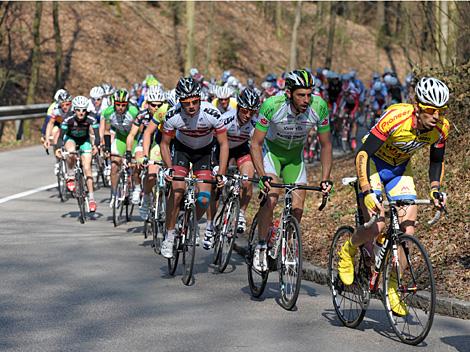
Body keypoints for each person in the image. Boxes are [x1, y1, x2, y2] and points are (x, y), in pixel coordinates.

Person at [337, 77, 450, 316]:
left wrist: (435, 189)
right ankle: (348, 249)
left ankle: (392, 288)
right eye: (431, 110)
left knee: (407, 233)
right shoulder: (396, 118)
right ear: (418, 107)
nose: (436, 116)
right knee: (377, 224)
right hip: (374, 165)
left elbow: (436, 161)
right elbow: (362, 154)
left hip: (400, 170)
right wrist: (367, 190)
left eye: (441, 111)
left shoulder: (441, 129)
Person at [250, 69, 333, 271]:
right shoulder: (272, 105)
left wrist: (325, 179)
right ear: (288, 93)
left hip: (295, 157)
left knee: (298, 207)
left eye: (309, 94)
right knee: (272, 196)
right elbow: (255, 144)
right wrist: (262, 175)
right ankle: (261, 245)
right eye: (300, 95)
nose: (306, 99)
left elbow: (326, 145)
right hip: (272, 154)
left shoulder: (319, 107)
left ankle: (285, 242)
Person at [159, 76, 229, 259]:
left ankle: (192, 222)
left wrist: (221, 173)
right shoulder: (173, 115)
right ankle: (169, 235)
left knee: (205, 198)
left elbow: (223, 144)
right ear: (180, 101)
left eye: (195, 101)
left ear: (200, 99)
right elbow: (165, 144)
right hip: (182, 151)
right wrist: (168, 168)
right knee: (177, 191)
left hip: (204, 152)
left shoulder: (212, 114)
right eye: (186, 103)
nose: (191, 106)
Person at [202, 88, 261, 249]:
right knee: (215, 187)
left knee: (247, 180)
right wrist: (216, 167)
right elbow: (212, 142)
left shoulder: (256, 124)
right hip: (221, 149)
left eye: (252, 112)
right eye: (245, 111)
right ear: (239, 107)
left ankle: (241, 213)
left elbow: (259, 147)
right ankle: (209, 226)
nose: (248, 115)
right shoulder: (226, 119)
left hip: (241, 149)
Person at [55, 96, 101, 212]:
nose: (81, 113)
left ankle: (91, 199)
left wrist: (96, 146)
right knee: (71, 152)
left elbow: (97, 136)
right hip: (71, 138)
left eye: (83, 110)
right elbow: (61, 137)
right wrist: (58, 148)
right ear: (74, 110)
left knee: (87, 168)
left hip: (84, 140)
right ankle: (70, 176)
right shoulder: (68, 118)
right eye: (78, 110)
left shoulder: (91, 118)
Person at [102, 88, 139, 207]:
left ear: (127, 104)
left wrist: (131, 151)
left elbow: (139, 130)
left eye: (123, 105)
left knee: (134, 165)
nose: (120, 108)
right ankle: (114, 194)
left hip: (133, 138)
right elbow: (107, 131)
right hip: (120, 138)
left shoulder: (133, 112)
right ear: (114, 103)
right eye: (118, 105)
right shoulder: (109, 112)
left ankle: (135, 188)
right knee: (114, 165)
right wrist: (107, 147)